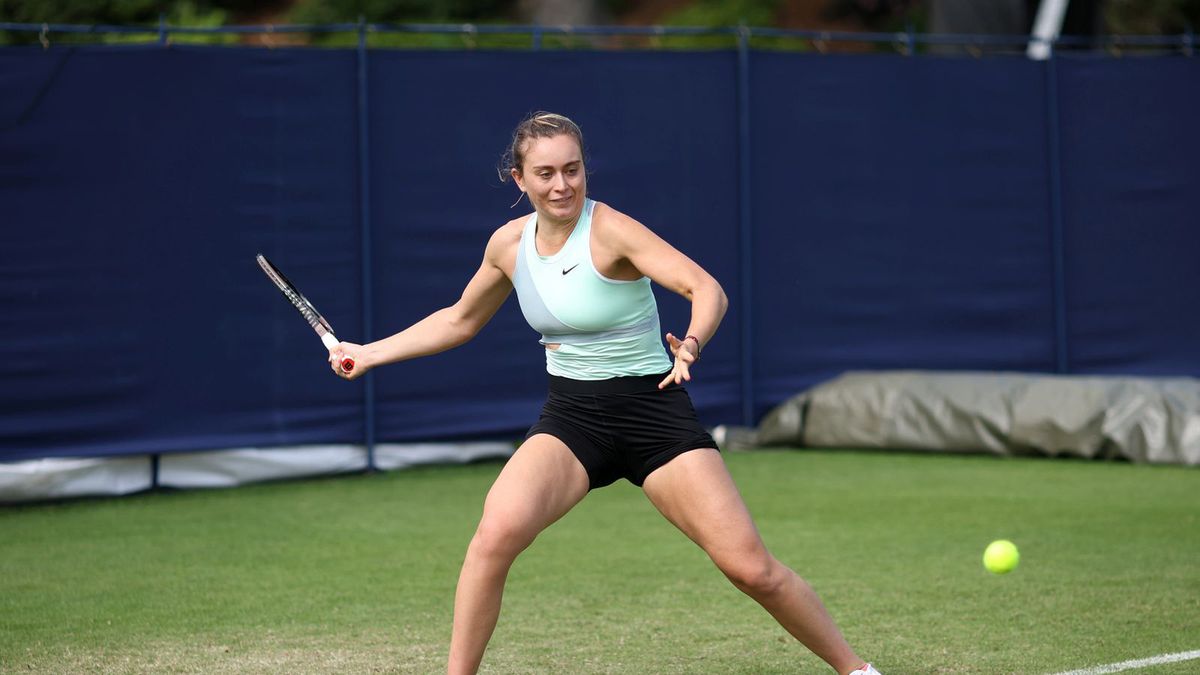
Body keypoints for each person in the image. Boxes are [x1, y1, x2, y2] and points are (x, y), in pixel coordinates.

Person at [328, 112, 881, 675]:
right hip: (571, 419)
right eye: (544, 173)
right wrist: (369, 352)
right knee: (493, 536)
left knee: (750, 569)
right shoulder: (508, 245)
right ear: (519, 180)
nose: (561, 184)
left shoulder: (612, 230)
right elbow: (459, 320)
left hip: (652, 413)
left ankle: (857, 671)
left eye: (572, 169)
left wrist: (690, 343)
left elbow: (705, 288)